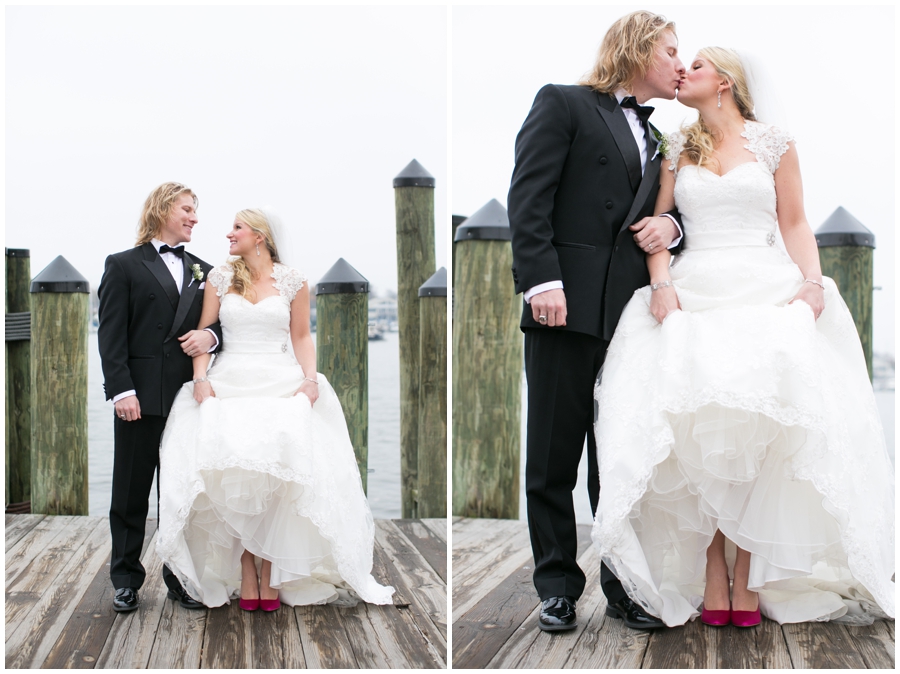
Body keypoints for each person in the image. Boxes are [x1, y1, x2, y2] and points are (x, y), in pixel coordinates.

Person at [591, 47, 895, 627]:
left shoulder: (774, 143)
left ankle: (749, 574)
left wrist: (811, 283)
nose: (685, 72)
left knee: (761, 428)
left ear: (725, 81)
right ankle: (712, 572)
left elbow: (794, 223)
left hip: (764, 288)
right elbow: (658, 227)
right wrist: (660, 287)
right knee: (696, 431)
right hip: (696, 288)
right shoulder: (677, 146)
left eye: (697, 65)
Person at [507, 10, 686, 632]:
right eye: (669, 50)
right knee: (554, 455)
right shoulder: (562, 103)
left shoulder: (663, 141)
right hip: (563, 307)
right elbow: (527, 200)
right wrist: (542, 283)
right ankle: (556, 586)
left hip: (631, 317)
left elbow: (672, 218)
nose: (679, 63)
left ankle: (623, 585)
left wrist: (674, 226)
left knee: (619, 457)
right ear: (638, 52)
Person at [154, 208, 394, 610]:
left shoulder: (293, 281)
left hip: (279, 379)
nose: (228, 234)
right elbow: (204, 334)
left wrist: (310, 379)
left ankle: (269, 571)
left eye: (237, 228)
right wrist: (201, 380)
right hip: (230, 380)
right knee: (238, 474)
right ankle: (247, 570)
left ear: (259, 236)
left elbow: (301, 336)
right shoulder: (219, 278)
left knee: (275, 477)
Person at [98, 182, 223, 612]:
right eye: (187, 209)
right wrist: (122, 391)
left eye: (195, 210)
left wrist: (209, 335)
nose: (194, 217)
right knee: (130, 492)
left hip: (187, 401)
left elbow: (223, 327)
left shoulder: (204, 270)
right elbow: (110, 336)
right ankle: (126, 578)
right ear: (162, 209)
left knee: (179, 495)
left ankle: (179, 578)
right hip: (138, 400)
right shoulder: (123, 265)